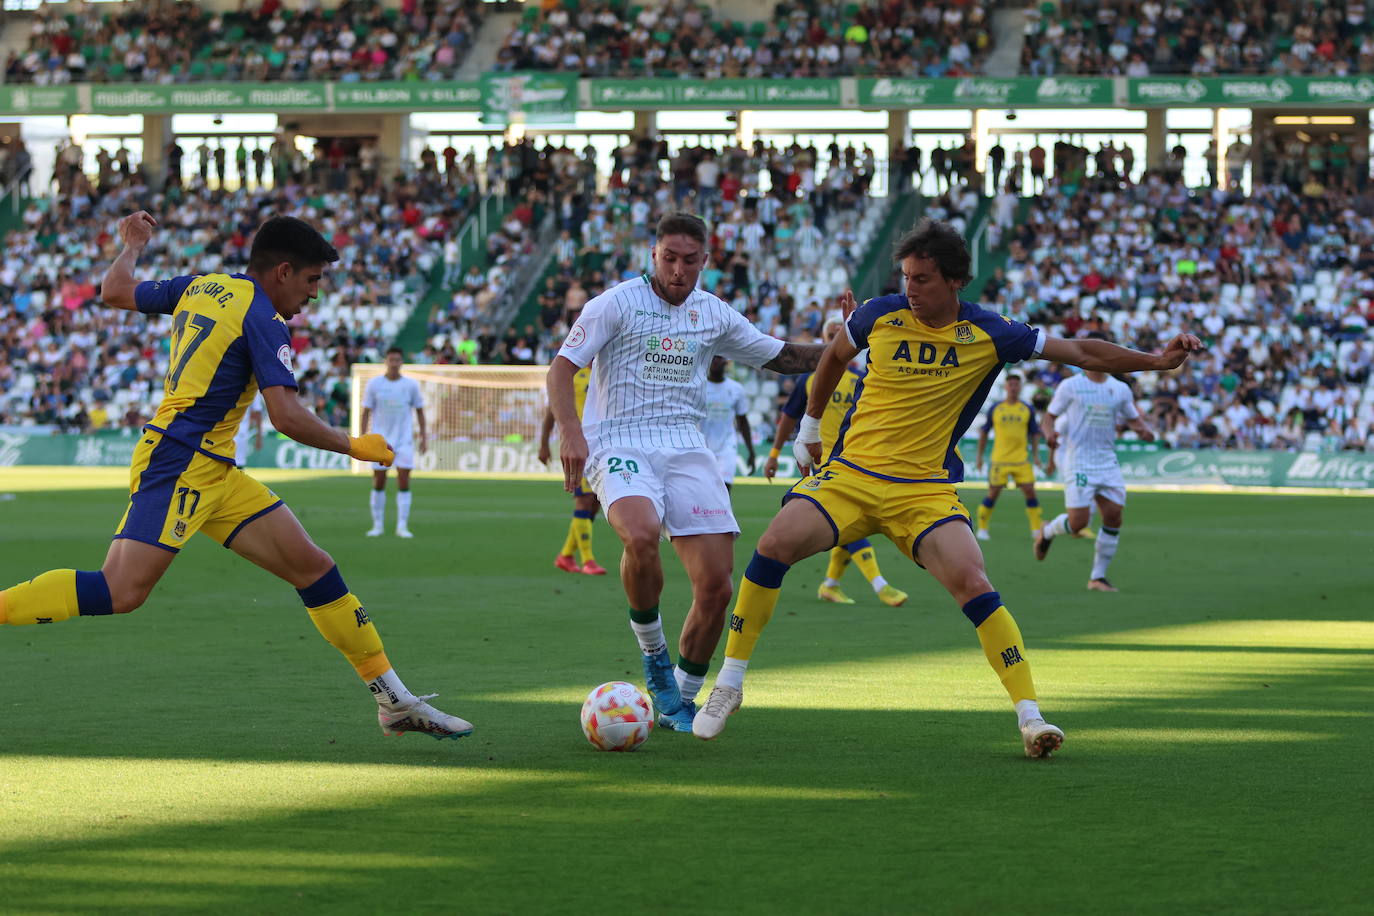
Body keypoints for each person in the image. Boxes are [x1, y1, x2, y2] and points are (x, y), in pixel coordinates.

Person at [692, 218, 1201, 755]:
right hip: (851, 478)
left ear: (956, 281)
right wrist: (810, 428)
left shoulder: (993, 332)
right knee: (771, 546)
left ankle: (1031, 718)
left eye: (923, 279)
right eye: (906, 277)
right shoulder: (877, 316)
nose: (910, 289)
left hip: (924, 491)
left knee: (975, 584)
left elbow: (1083, 353)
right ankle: (729, 684)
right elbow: (834, 359)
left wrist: (1155, 362)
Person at [0, 212, 473, 741]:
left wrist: (132, 245)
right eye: (312, 280)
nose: (314, 295)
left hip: (215, 469)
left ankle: (393, 701)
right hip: (178, 462)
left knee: (314, 568)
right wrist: (352, 444)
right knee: (120, 591)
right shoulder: (264, 319)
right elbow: (287, 417)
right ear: (283, 271)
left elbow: (114, 291)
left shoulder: (205, 285)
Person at [546, 211, 839, 733]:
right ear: (653, 255)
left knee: (717, 588)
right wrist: (570, 430)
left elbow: (783, 357)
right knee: (638, 535)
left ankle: (679, 697)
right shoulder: (613, 303)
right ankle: (655, 656)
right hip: (619, 439)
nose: (678, 269)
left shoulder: (714, 314)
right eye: (669, 258)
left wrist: (852, 341)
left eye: (689, 260)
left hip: (686, 445)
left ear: (705, 261)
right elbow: (562, 367)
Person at [765, 321, 908, 608]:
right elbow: (788, 417)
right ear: (823, 339)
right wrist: (774, 453)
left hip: (853, 459)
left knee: (849, 524)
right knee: (845, 519)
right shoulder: (812, 378)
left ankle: (830, 585)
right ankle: (879, 585)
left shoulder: (860, 379)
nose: (834, 340)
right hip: (823, 462)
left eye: (837, 335)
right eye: (829, 336)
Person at [1034, 355, 1156, 592]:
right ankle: (1047, 531)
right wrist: (1049, 434)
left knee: (1114, 516)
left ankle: (1097, 577)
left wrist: (1144, 431)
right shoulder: (1070, 386)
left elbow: (1134, 420)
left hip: (1107, 462)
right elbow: (1048, 418)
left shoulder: (1120, 389)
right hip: (1079, 462)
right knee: (1078, 523)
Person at [537, 363, 607, 576]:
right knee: (584, 500)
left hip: (602, 446)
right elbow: (552, 412)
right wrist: (544, 444)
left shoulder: (603, 372)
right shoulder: (571, 374)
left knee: (594, 504)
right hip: (578, 446)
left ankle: (566, 556)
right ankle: (588, 560)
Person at [361, 347, 427, 539]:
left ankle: (402, 526)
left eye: (398, 360)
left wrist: (424, 437)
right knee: (379, 481)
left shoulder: (411, 385)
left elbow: (420, 411)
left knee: (404, 481)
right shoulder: (374, 384)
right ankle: (378, 525)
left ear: (402, 362)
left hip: (404, 440)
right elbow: (366, 411)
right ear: (386, 361)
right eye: (391, 360)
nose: (394, 363)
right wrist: (363, 437)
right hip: (380, 441)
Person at [972, 373, 1044, 542]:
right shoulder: (996, 408)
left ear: (1020, 387)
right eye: (1010, 384)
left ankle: (1035, 529)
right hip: (1000, 460)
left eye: (1016, 384)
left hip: (1021, 460)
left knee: (1030, 492)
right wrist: (980, 457)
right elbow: (984, 431)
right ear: (1006, 387)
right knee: (993, 494)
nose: (1013, 387)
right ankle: (982, 528)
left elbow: (1034, 433)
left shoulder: (1027, 409)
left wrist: (1036, 456)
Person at [702, 356, 754, 491]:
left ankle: (723, 513)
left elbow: (742, 421)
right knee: (703, 489)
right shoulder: (699, 387)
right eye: (713, 358)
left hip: (727, 445)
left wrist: (751, 452)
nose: (716, 362)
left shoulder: (736, 388)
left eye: (719, 359)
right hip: (703, 445)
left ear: (726, 362)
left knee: (725, 488)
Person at [233, 391, 265, 468]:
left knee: (237, 465)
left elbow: (257, 413)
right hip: (226, 432)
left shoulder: (253, 388)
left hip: (239, 434)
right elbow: (257, 413)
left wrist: (259, 436)